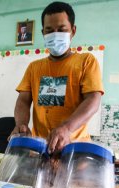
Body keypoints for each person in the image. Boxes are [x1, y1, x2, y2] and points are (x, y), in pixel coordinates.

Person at [11, 1, 104, 154]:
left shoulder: (86, 61)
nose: (55, 35)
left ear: (72, 31)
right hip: (39, 149)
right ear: (43, 33)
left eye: (61, 29)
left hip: (74, 149)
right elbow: (23, 100)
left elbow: (93, 99)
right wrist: (21, 124)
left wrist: (66, 128)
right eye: (49, 30)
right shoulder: (34, 67)